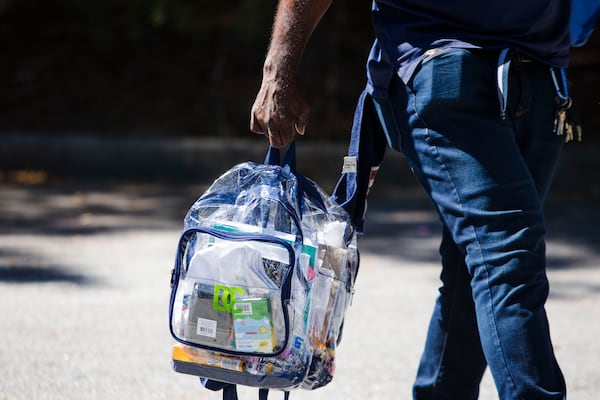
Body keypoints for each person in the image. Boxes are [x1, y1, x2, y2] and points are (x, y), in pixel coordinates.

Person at [250, 1, 574, 399]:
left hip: (541, 70)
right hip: (443, 64)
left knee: (475, 270)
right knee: (508, 259)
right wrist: (278, 68)